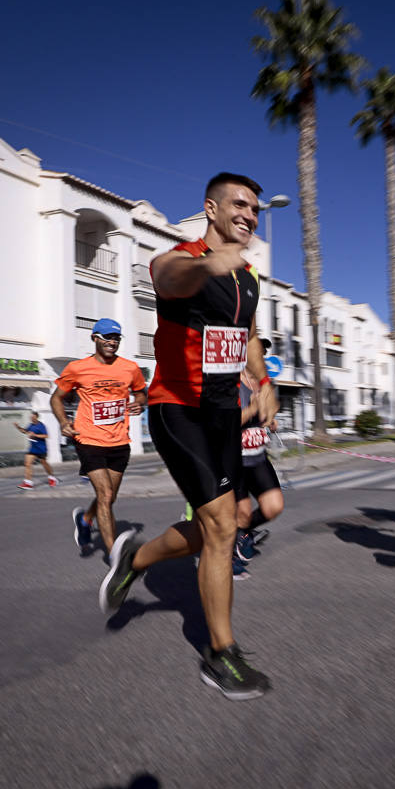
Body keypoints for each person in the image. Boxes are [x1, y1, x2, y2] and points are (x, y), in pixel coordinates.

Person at [98, 172, 276, 700]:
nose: (249, 214)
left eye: (255, 209)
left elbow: (244, 336)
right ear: (211, 208)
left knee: (223, 523)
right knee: (222, 525)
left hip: (222, 414)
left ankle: (136, 560)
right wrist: (209, 263)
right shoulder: (180, 258)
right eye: (239, 205)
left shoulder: (249, 280)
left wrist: (262, 381)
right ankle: (220, 653)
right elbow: (172, 276)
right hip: (177, 410)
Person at [50, 318, 147, 555]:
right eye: (106, 338)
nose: (112, 342)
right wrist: (64, 422)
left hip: (119, 441)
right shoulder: (77, 368)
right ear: (94, 338)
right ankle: (114, 555)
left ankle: (85, 519)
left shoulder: (130, 368)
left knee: (110, 497)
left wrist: (140, 404)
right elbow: (56, 398)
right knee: (104, 494)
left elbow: (141, 393)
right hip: (88, 439)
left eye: (116, 338)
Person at [230, 339, 284, 578]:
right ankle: (230, 557)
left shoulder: (265, 386)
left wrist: (270, 422)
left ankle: (242, 534)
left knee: (274, 507)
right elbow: (225, 424)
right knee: (240, 513)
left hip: (258, 458)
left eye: (262, 353)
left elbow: (268, 416)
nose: (259, 357)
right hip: (235, 461)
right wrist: (251, 410)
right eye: (256, 352)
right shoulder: (232, 383)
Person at [13, 412, 57, 489]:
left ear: (37, 417)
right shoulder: (31, 425)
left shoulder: (41, 425)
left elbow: (46, 436)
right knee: (27, 464)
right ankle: (28, 483)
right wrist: (18, 427)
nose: (32, 418)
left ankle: (52, 478)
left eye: (33, 417)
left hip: (41, 449)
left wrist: (35, 435)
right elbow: (25, 431)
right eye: (31, 417)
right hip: (33, 449)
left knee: (44, 464)